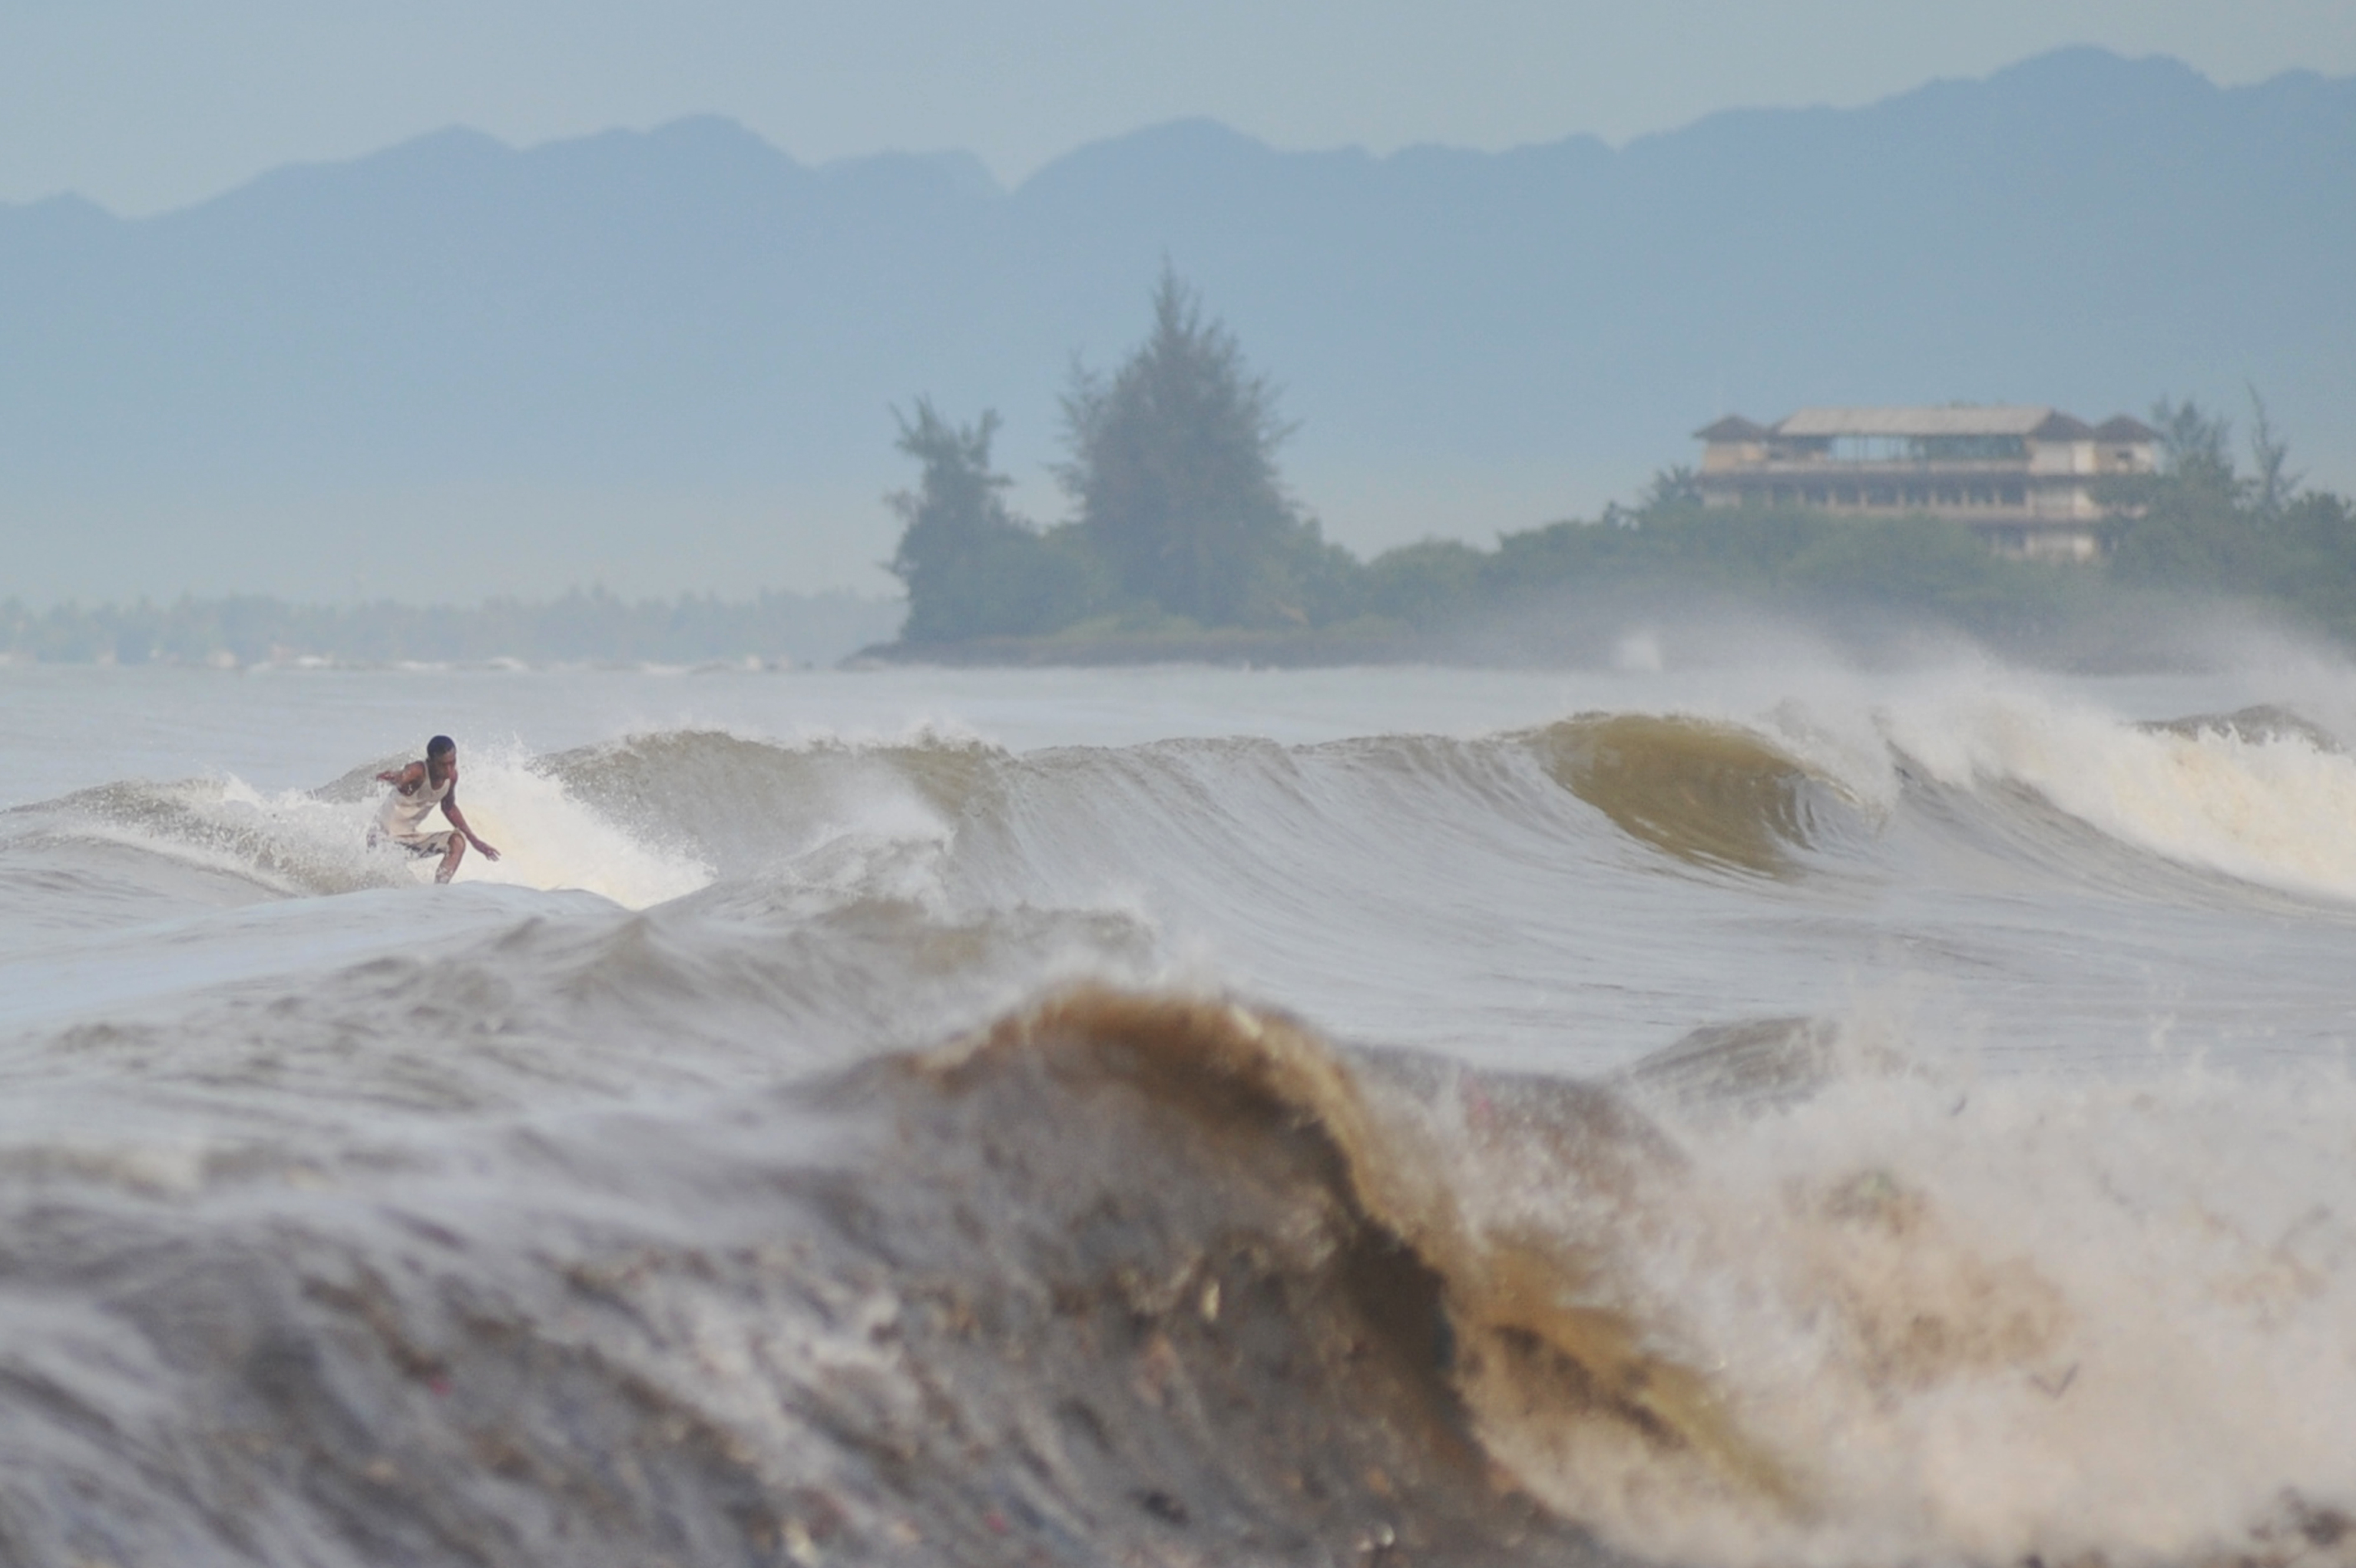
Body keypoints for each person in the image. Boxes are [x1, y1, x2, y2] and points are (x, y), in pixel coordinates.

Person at [370, 735, 501, 884]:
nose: (449, 770)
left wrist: (475, 841)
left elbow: (449, 807)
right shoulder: (418, 771)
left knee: (457, 841)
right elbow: (401, 776)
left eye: (452, 763)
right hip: (384, 841)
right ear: (430, 761)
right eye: (443, 765)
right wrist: (392, 777)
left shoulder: (451, 777)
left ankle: (439, 893)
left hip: (408, 841)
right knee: (403, 885)